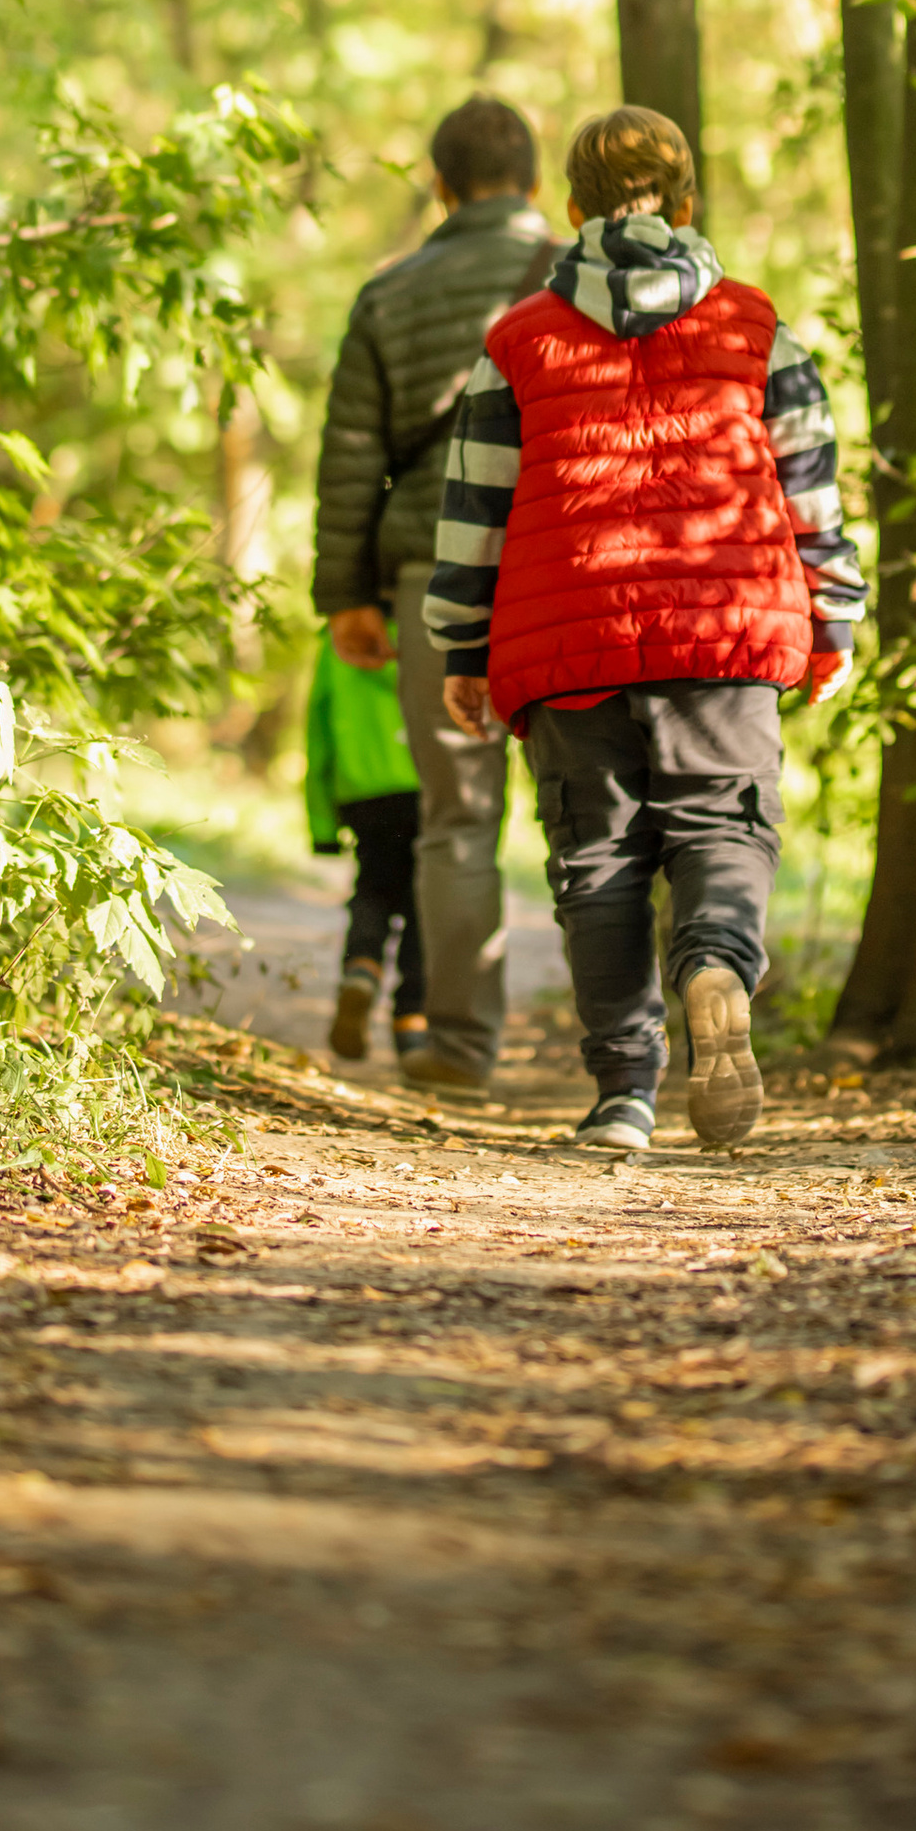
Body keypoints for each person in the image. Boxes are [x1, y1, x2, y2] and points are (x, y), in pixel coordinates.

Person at [423, 103, 863, 1155]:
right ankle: (713, 967)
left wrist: (462, 645)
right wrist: (833, 615)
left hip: (566, 634)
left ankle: (623, 1092)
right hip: (726, 625)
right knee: (725, 827)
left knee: (597, 860)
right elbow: (810, 484)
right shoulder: (758, 327)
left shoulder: (517, 342)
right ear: (688, 202)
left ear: (572, 211)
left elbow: (475, 504)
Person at [310, 95, 551, 1098]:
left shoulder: (388, 295)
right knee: (599, 809)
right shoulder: (573, 282)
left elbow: (350, 454)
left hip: (427, 575)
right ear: (535, 183)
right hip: (562, 570)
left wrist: (347, 594)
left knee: (456, 814)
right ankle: (633, 1041)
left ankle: (457, 1040)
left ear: (441, 186)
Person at [302, 626, 428, 1065]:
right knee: (424, 904)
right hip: (429, 783)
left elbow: (318, 728)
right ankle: (412, 1020)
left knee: (373, 885)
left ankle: (362, 968)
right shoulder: (430, 626)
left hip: (363, 789)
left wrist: (321, 822)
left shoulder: (339, 636)